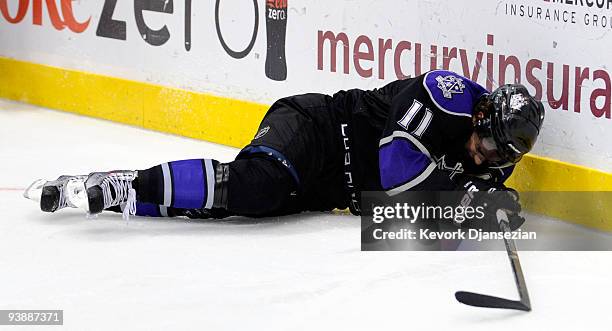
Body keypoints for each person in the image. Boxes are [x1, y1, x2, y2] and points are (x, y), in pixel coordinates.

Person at [24, 70, 545, 226]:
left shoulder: (493, 161)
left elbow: (407, 226)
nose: (483, 157)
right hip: (317, 128)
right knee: (254, 182)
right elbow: (395, 178)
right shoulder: (444, 96)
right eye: (485, 144)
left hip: (326, 190)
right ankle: (125, 181)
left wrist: (484, 209)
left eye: (499, 158)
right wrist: (467, 207)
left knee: (234, 204)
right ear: (481, 113)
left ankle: (117, 196)